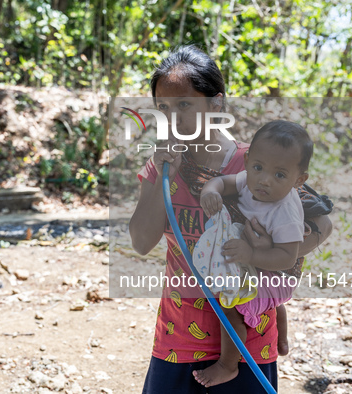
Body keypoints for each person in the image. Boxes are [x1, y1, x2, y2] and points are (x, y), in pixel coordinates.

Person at [129, 45, 332, 394]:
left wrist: (272, 250)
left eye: (184, 105)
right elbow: (141, 242)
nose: (173, 118)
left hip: (246, 342)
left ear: (216, 105)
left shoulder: (255, 165)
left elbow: (322, 224)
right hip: (179, 333)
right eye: (163, 107)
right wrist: (166, 173)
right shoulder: (160, 168)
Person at [193, 120, 313, 387]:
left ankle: (228, 365)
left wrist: (250, 255)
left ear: (299, 180)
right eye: (258, 168)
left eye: (280, 175)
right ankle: (280, 329)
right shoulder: (251, 179)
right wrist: (210, 191)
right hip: (261, 265)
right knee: (253, 294)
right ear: (247, 161)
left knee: (232, 305)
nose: (265, 180)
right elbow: (223, 183)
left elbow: (287, 258)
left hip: (278, 274)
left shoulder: (285, 212)